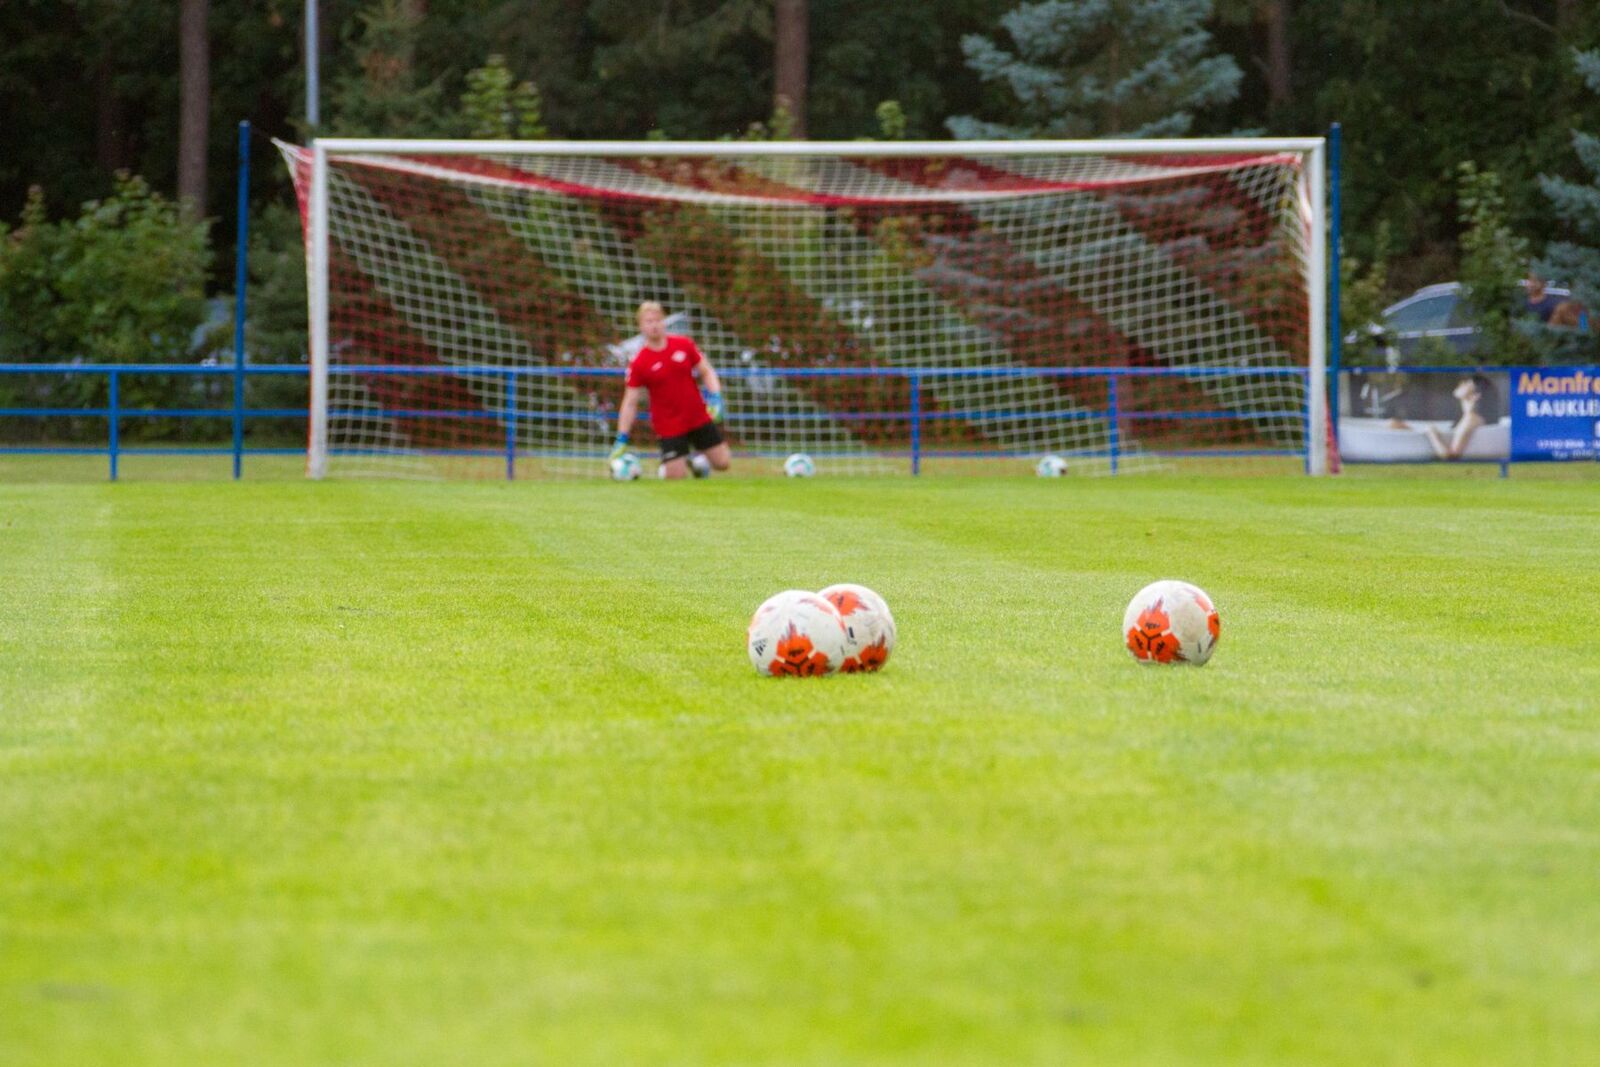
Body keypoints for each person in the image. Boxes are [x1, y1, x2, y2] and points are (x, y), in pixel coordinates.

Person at [609, 302, 731, 479]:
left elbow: (706, 371)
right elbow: (630, 402)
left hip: (697, 417)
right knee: (675, 478)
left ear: (664, 321)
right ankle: (679, 462)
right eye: (649, 321)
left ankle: (697, 462)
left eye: (658, 320)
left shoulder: (683, 344)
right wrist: (622, 436)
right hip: (669, 425)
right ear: (641, 326)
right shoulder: (639, 362)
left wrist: (716, 397)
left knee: (723, 463)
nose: (654, 325)